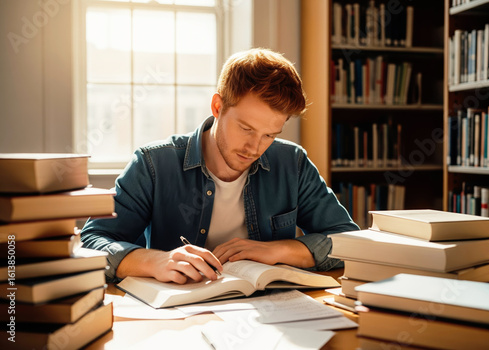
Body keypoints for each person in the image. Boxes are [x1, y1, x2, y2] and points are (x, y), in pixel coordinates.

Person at [81, 48, 359, 285]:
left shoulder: (292, 163)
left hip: (269, 316)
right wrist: (156, 261)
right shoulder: (153, 164)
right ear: (217, 106)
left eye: (269, 135)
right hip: (178, 319)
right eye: (246, 128)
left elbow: (351, 243)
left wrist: (278, 251)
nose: (255, 147)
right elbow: (93, 241)